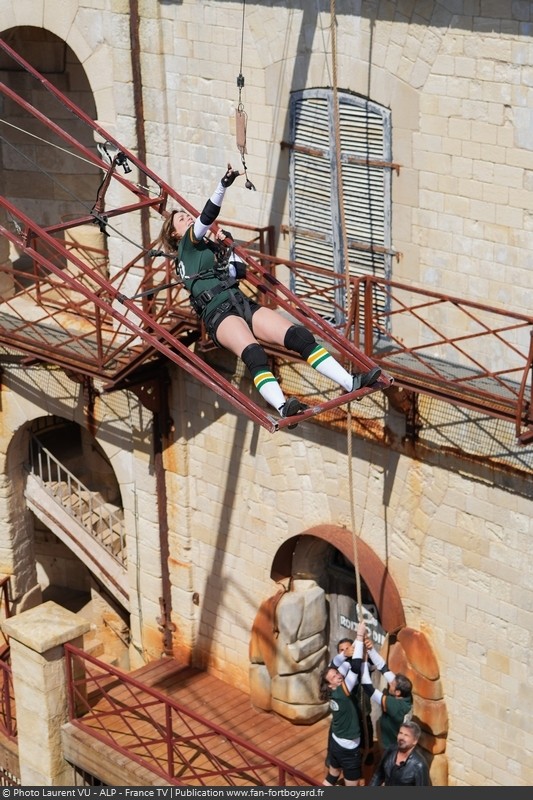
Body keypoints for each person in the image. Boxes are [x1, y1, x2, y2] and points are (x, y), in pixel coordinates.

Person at [157, 164, 381, 426]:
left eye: (185, 214)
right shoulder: (187, 244)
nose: (187, 218)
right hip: (218, 314)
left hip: (238, 302)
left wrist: (225, 249)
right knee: (253, 353)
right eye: (181, 219)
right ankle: (284, 406)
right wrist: (223, 186)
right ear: (175, 233)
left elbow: (235, 271)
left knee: (298, 336)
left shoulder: (202, 249)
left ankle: (349, 382)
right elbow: (207, 216)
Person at [320, 621, 365, 787]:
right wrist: (359, 635)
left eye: (337, 674)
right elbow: (355, 667)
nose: (338, 676)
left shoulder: (332, 691)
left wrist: (345, 654)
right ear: (331, 684)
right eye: (334, 677)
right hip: (348, 748)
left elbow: (333, 666)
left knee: (331, 777)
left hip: (335, 742)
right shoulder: (342, 692)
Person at [360, 636, 413, 750]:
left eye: (392, 684)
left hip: (389, 746)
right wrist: (370, 649)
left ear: (398, 692)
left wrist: (364, 662)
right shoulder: (406, 694)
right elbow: (383, 668)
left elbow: (368, 688)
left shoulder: (395, 705)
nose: (390, 683)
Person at [369, 721, 430, 786]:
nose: (401, 737)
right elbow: (378, 776)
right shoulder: (390, 751)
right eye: (400, 733)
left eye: (406, 735)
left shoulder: (419, 765)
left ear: (415, 741)